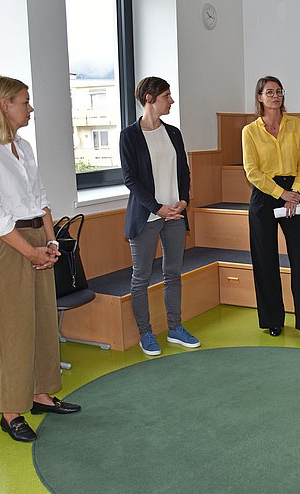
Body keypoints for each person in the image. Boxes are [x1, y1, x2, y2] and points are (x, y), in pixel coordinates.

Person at [0, 75, 80, 443]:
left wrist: (51, 241)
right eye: (25, 102)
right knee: (12, 331)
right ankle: (10, 411)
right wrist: (30, 251)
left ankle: (40, 394)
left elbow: (40, 196)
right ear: (4, 104)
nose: (30, 108)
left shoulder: (23, 146)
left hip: (34, 238)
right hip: (6, 244)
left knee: (43, 322)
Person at [119, 76, 199, 356]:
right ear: (149, 99)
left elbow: (184, 172)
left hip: (175, 215)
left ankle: (175, 328)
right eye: (167, 96)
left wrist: (184, 201)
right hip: (147, 216)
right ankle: (146, 333)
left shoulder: (174, 133)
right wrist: (156, 207)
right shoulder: (129, 135)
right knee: (141, 277)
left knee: (173, 273)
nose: (171, 101)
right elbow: (130, 178)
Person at [242, 76, 300, 344]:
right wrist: (279, 193)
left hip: (294, 194)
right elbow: (252, 171)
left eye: (279, 91)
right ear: (260, 97)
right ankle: (273, 320)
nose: (275, 96)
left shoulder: (296, 125)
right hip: (264, 196)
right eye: (269, 92)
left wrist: (294, 192)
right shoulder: (249, 131)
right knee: (265, 260)